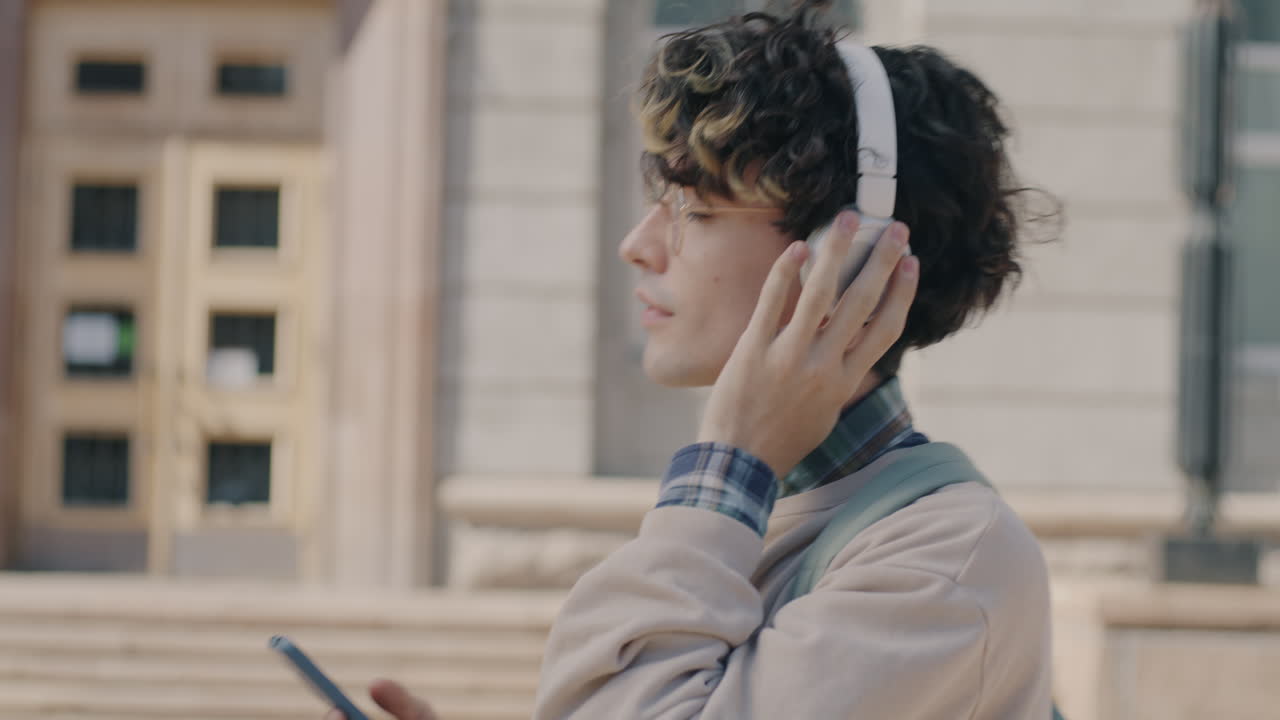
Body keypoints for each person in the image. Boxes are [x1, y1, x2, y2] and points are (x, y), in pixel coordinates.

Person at [327, 1, 1056, 718]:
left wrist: (731, 454)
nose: (638, 245)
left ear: (853, 258)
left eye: (695, 210)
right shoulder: (771, 510)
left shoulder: (945, 561)